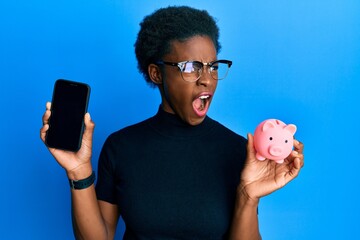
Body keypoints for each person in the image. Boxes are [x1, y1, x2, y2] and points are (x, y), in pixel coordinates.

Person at [40, 6, 304, 240]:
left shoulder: (238, 152)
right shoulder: (121, 147)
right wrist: (79, 173)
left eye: (212, 66)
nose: (207, 79)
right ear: (156, 73)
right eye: (191, 67)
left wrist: (248, 197)